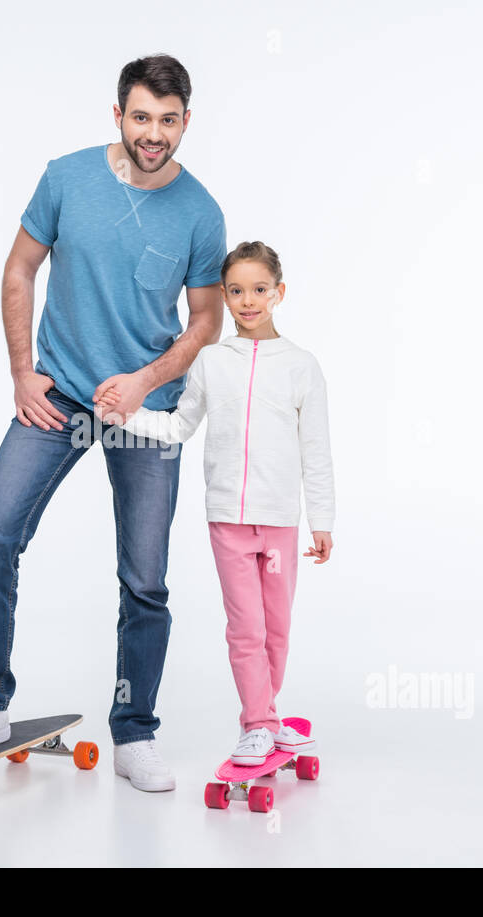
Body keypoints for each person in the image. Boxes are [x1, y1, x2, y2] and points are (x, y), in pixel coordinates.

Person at [0, 54, 227, 793]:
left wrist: (144, 382)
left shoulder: (201, 212)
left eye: (167, 120)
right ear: (118, 115)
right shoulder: (66, 178)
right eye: (140, 117)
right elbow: (18, 269)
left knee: (145, 579)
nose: (152, 134)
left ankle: (134, 732)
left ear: (186, 121)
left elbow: (204, 324)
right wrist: (21, 369)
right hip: (59, 391)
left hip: (147, 407)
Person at [94, 241, 335, 765]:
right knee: (244, 627)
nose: (247, 301)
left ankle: (268, 716)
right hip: (227, 519)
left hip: (280, 523)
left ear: (279, 293)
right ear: (223, 296)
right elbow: (179, 426)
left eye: (258, 290)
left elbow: (316, 448)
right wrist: (125, 415)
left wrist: (323, 520)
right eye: (236, 291)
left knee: (277, 629)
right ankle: (257, 725)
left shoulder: (301, 366)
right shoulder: (210, 361)